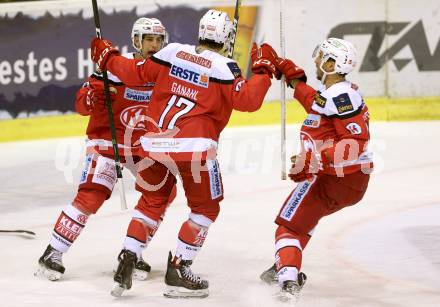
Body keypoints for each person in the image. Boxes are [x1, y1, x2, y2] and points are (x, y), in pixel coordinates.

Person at [91, 9, 280, 298]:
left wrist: (109, 57)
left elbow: (133, 73)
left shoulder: (172, 53)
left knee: (154, 198)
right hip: (194, 149)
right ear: (227, 37)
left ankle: (129, 253)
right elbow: (249, 100)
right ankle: (180, 268)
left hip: (152, 144)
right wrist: (264, 70)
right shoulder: (226, 68)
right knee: (206, 208)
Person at [36, 17, 175, 282]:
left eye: (158, 40)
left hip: (141, 146)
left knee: (164, 191)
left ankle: (132, 253)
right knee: (92, 195)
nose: (154, 45)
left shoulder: (164, 72)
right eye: (149, 39)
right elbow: (80, 105)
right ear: (136, 41)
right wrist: (91, 97)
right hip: (107, 142)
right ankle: (53, 252)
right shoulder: (112, 69)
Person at [259, 38, 373, 301]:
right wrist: (295, 80)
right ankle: (284, 265)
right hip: (348, 181)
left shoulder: (341, 95)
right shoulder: (335, 94)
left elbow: (356, 142)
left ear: (332, 64)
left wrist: (314, 161)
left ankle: (287, 281)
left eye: (320, 56)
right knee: (305, 219)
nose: (316, 60)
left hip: (334, 177)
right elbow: (316, 102)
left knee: (288, 227)